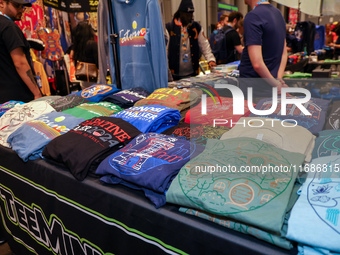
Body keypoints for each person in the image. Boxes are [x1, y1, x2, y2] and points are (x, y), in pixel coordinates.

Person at [239, 0, 288, 97]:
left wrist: (276, 84)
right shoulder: (278, 14)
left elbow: (257, 64)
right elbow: (284, 53)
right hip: (270, 86)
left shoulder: (253, 16)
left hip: (254, 89)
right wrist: (277, 80)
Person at [0, 0, 42, 104]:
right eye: (16, 5)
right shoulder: (8, 26)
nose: (21, 10)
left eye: (22, 6)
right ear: (1, 3)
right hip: (17, 98)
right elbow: (20, 63)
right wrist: (37, 93)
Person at [166, 0, 216, 81]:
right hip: (174, 75)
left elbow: (205, 45)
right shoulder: (169, 28)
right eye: (187, 14)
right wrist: (166, 71)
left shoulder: (196, 27)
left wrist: (211, 60)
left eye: (191, 14)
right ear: (181, 13)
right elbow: (165, 51)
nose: (189, 17)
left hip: (192, 74)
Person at [71, 21, 98, 89]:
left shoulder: (77, 46)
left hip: (82, 77)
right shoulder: (92, 44)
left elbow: (73, 57)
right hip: (93, 76)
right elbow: (98, 61)